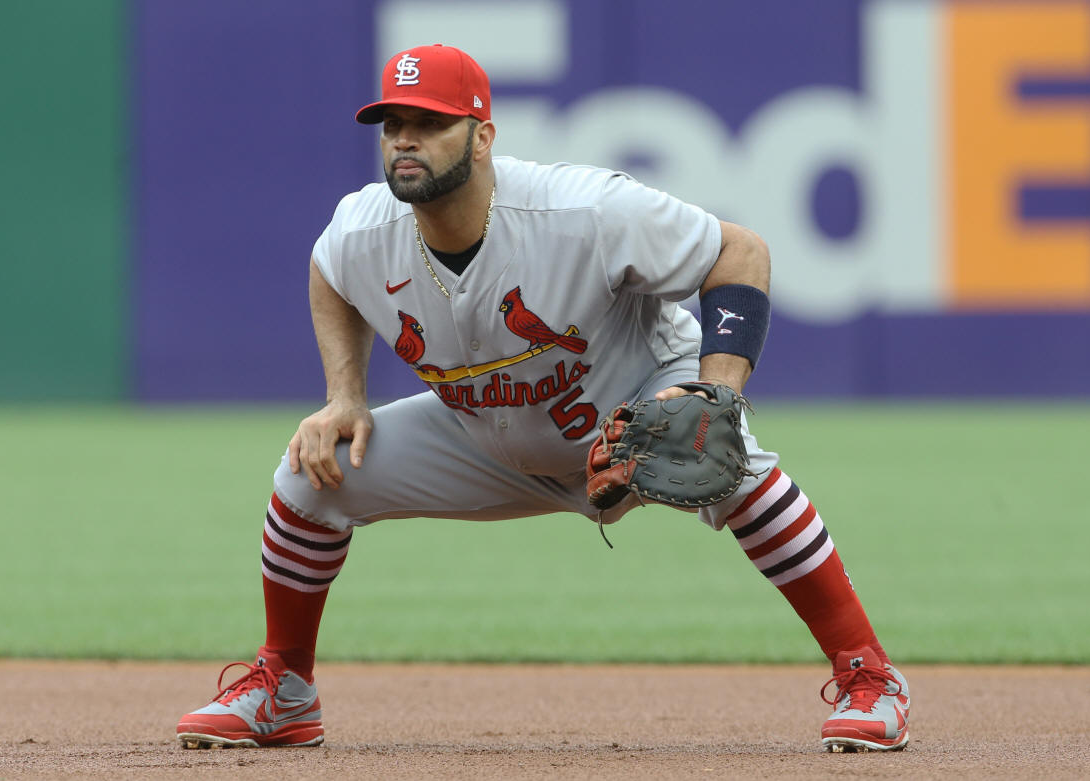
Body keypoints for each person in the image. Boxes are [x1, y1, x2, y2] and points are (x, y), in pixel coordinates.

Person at [176, 43, 910, 754]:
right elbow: (329, 272)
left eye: (431, 122)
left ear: (483, 136)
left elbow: (740, 250)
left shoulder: (582, 210)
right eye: (393, 124)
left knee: (735, 465)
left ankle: (870, 678)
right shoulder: (363, 229)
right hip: (485, 432)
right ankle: (286, 691)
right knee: (312, 474)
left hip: (633, 408)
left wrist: (716, 392)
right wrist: (344, 396)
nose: (406, 139)